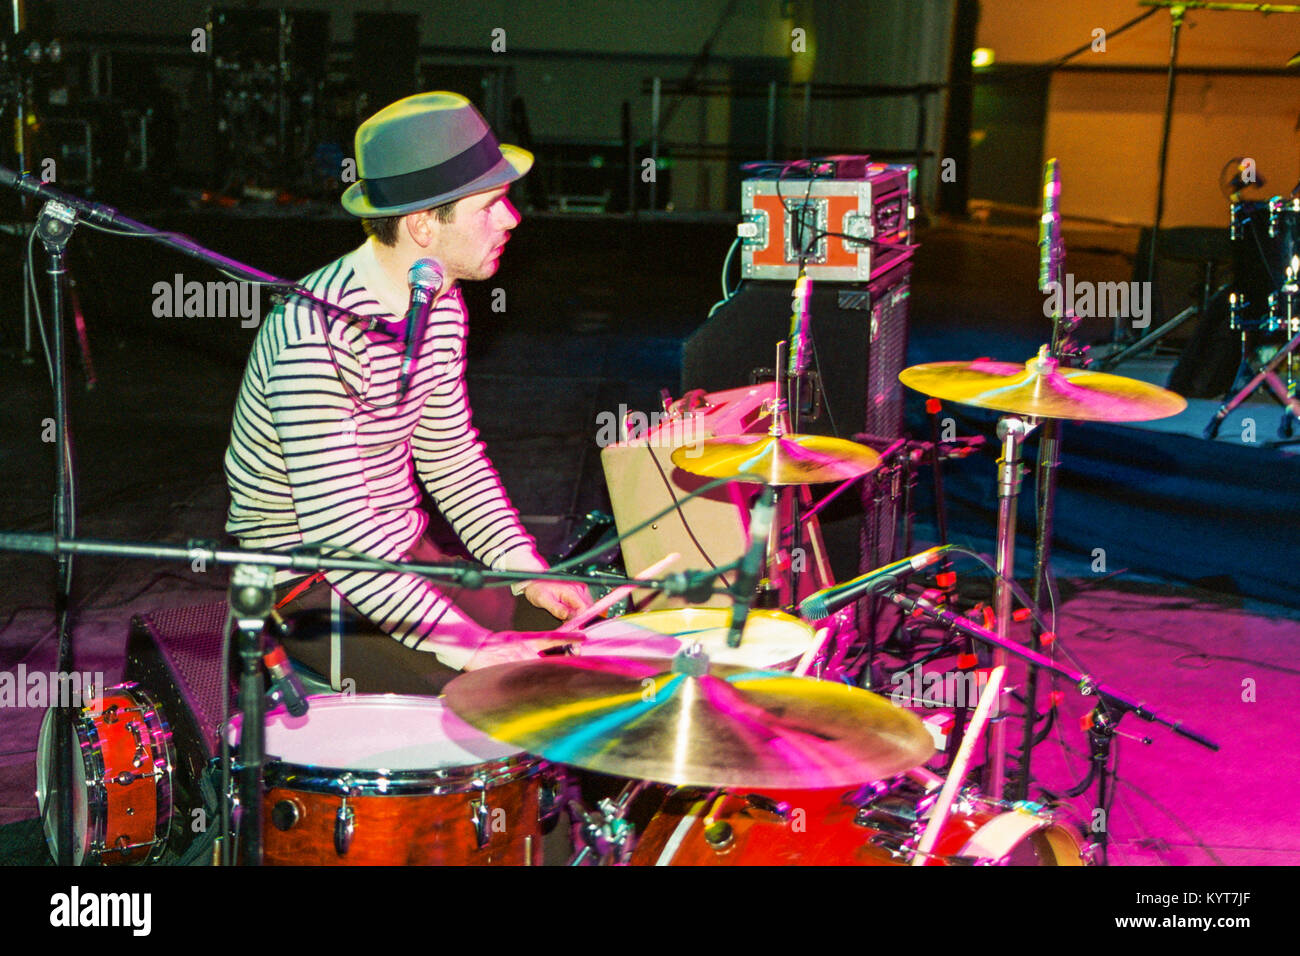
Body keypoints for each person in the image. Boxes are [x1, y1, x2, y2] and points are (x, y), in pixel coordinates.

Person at [224, 91, 591, 694]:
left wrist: (525, 571)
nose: (512, 219)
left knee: (571, 645)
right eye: (492, 204)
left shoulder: (439, 300)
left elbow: (451, 458)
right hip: (306, 583)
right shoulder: (314, 332)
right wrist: (468, 649)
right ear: (423, 224)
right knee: (499, 693)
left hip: (399, 556)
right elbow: (341, 539)